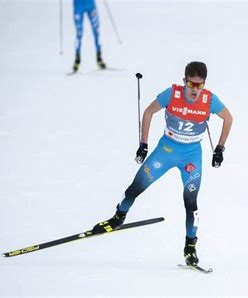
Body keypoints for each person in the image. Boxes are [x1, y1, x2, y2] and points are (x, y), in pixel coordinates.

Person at [92, 62, 233, 266]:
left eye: (199, 85)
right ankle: (118, 217)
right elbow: (149, 112)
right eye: (192, 84)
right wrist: (143, 144)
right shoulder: (172, 94)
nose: (195, 90)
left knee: (191, 204)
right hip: (166, 151)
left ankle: (190, 247)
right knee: (135, 188)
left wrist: (220, 148)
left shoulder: (210, 99)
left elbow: (228, 118)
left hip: (191, 156)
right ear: (184, 80)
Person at [72, 0, 106, 72]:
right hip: (78, 6)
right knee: (79, 33)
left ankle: (99, 57)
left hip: (91, 5)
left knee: (96, 31)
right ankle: (77, 58)